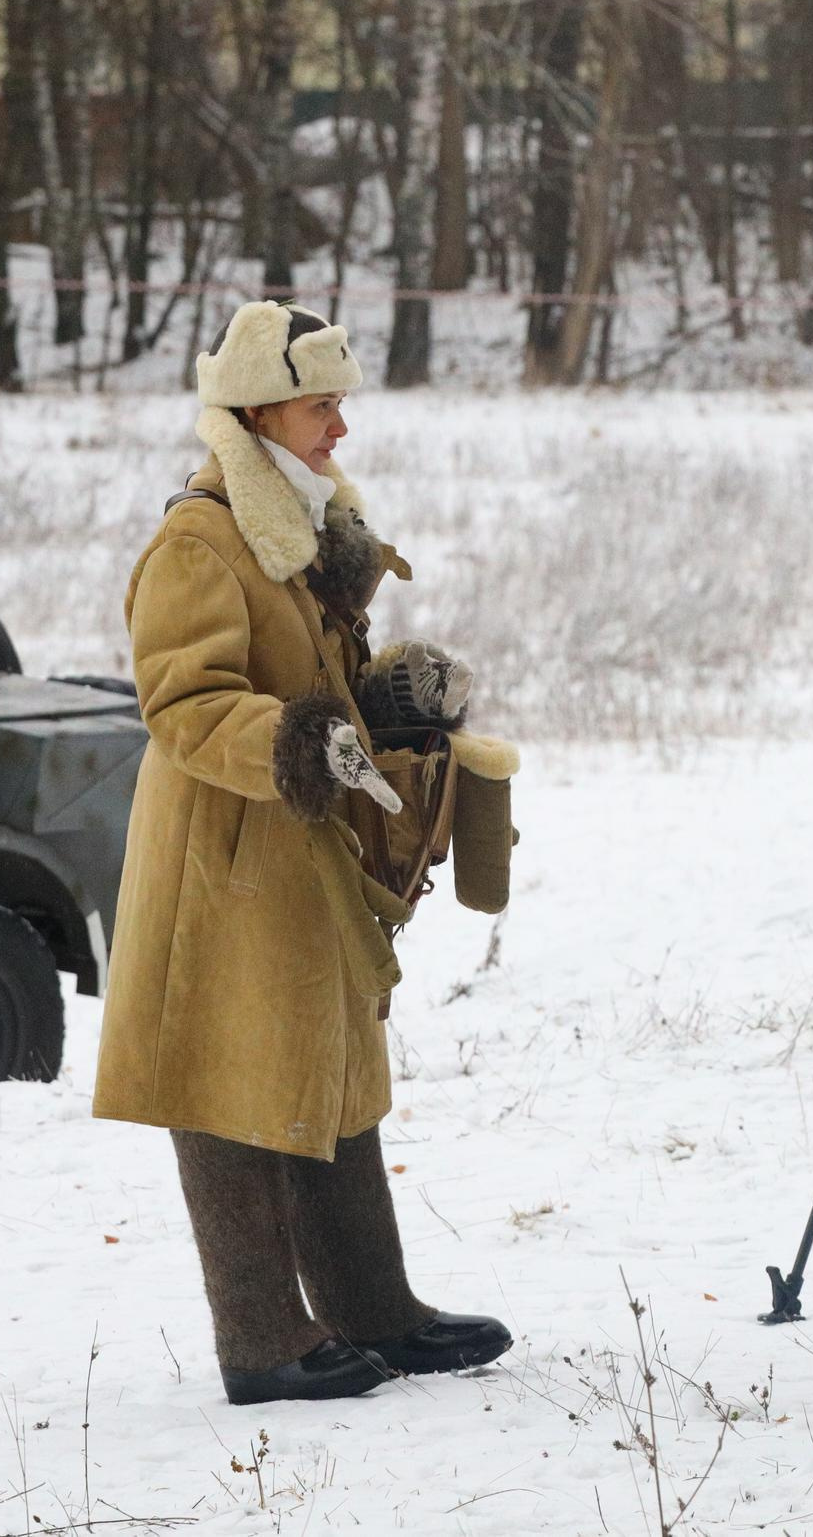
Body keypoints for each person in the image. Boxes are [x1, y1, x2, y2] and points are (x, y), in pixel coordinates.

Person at [93, 299, 516, 1404]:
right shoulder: (201, 538)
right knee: (227, 1078)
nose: (342, 426)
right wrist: (292, 741)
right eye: (324, 404)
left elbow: (312, 691)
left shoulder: (300, 523)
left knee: (328, 1069)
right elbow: (181, 703)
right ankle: (261, 1341)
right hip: (224, 860)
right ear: (260, 409)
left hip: (299, 853)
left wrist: (389, 697)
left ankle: (373, 1308)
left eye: (340, 403)